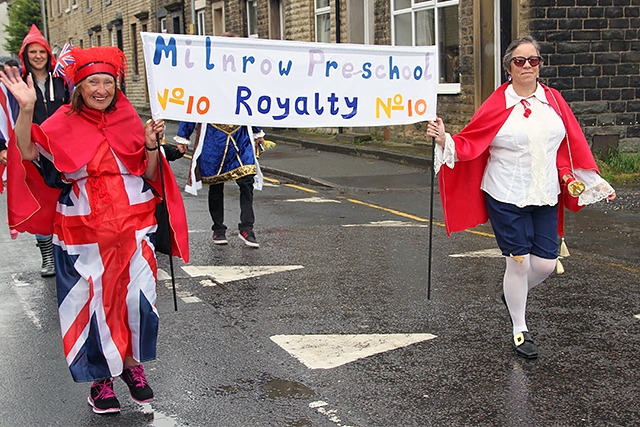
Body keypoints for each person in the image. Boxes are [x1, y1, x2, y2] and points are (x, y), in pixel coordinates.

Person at [0, 46, 189, 414]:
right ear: (78, 87)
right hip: (82, 231)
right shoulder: (59, 122)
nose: (101, 89)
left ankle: (132, 367)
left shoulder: (130, 118)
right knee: (91, 304)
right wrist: (25, 109)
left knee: (137, 299)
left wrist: (151, 146)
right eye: (92, 82)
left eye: (107, 82)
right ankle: (100, 381)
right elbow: (27, 152)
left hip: (135, 227)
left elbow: (150, 174)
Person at [426, 35, 616, 360]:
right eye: (520, 61)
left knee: (544, 264)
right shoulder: (498, 104)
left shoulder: (553, 101)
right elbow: (470, 141)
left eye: (533, 60)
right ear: (509, 68)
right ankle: (519, 327)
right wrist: (444, 139)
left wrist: (592, 180)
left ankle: (513, 294)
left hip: (545, 193)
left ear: (539, 65)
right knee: (518, 263)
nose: (527, 66)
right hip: (506, 194)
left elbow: (571, 144)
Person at [174, 33, 265, 248]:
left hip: (240, 135)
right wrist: (183, 136)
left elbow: (252, 104)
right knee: (216, 184)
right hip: (213, 136)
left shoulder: (244, 75)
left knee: (247, 180)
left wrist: (258, 133)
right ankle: (218, 229)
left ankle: (247, 228)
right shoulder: (204, 78)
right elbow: (192, 106)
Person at [18, 25, 70, 277]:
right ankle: (47, 257)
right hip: (33, 151)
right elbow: (6, 117)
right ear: (25, 55)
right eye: (32, 52)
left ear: (49, 54)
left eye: (42, 51)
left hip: (63, 149)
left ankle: (68, 249)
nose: (37, 56)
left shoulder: (61, 81)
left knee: (67, 200)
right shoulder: (17, 84)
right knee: (42, 204)